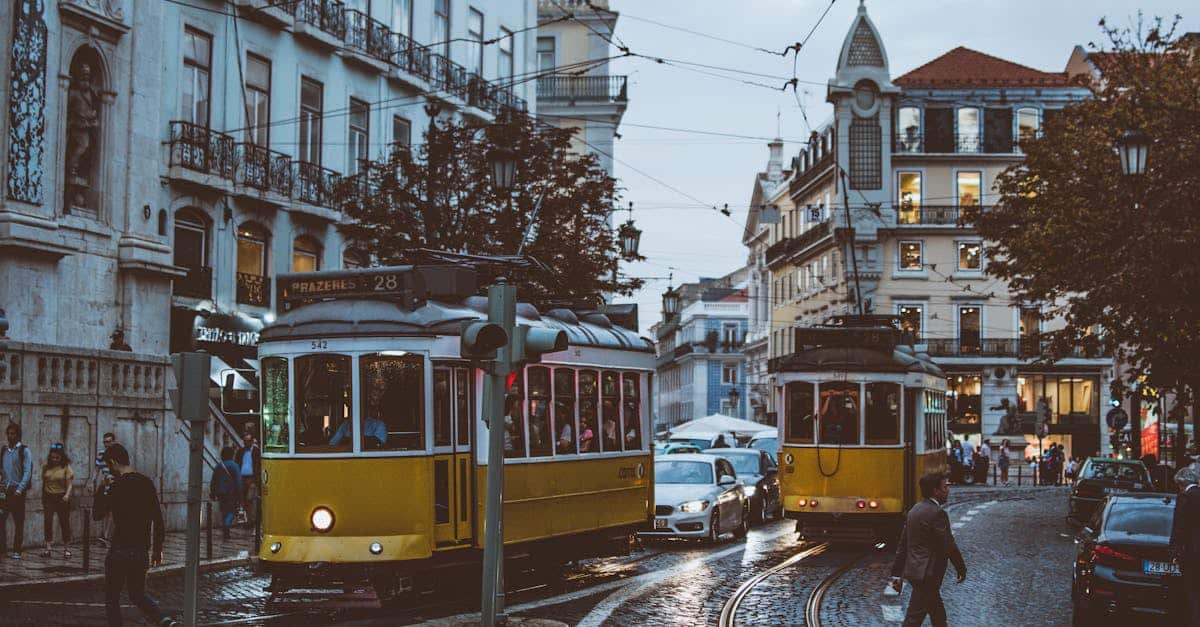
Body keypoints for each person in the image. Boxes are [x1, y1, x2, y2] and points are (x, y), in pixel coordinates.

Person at [93, 443, 179, 627]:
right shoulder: (146, 482)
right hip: (141, 549)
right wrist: (157, 550)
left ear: (114, 462)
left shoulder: (115, 486)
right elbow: (158, 520)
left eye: (109, 466)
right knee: (137, 595)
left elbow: (97, 514)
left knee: (112, 598)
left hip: (119, 550)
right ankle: (163, 619)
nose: (109, 471)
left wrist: (101, 488)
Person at [890, 472, 967, 627]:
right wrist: (960, 567)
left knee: (938, 614)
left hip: (916, 572)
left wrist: (896, 574)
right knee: (914, 618)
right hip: (928, 574)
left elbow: (903, 544)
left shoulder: (914, 510)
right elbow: (948, 544)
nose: (948, 490)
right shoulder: (937, 513)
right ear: (935, 491)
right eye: (945, 487)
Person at [1170, 463, 1200, 625]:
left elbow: (1179, 527)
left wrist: (1174, 550)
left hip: (1191, 552)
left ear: (1181, 484)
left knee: (1191, 589)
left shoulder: (1185, 498)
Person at [0, 423, 32, 559]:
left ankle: (17, 550)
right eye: (9, 433)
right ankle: (2, 549)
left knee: (18, 522)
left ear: (18, 435)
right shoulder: (4, 450)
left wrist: (20, 489)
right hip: (4, 491)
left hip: (17, 491)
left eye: (13, 434)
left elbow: (27, 472)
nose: (10, 436)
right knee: (1, 520)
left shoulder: (24, 451)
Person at [42, 443, 74, 557]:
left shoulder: (66, 467)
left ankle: (67, 548)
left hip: (61, 497)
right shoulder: (46, 466)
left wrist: (67, 495)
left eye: (57, 457)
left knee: (64, 522)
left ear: (61, 457)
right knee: (48, 520)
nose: (55, 459)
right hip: (48, 496)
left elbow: (70, 484)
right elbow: (44, 480)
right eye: (53, 457)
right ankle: (48, 547)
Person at [209, 447, 241, 540]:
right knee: (231, 510)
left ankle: (225, 528)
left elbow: (214, 480)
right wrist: (239, 492)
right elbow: (238, 480)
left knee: (224, 510)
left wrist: (213, 492)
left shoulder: (219, 465)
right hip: (231, 492)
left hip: (220, 493)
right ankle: (227, 526)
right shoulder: (234, 465)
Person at [94, 432, 117, 547]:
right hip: (105, 486)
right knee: (105, 511)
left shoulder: (118, 454)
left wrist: (113, 477)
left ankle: (107, 536)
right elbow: (97, 468)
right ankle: (105, 536)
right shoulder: (101, 454)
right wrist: (91, 481)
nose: (106, 444)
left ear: (113, 442)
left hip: (116, 486)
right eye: (104, 442)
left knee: (112, 512)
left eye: (108, 441)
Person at [235, 432, 260, 524]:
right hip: (242, 478)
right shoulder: (240, 451)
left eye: (248, 441)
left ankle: (252, 520)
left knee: (250, 498)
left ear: (252, 441)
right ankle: (245, 520)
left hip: (252, 478)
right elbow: (237, 462)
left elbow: (259, 464)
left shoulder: (256, 451)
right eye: (245, 441)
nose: (246, 443)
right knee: (243, 500)